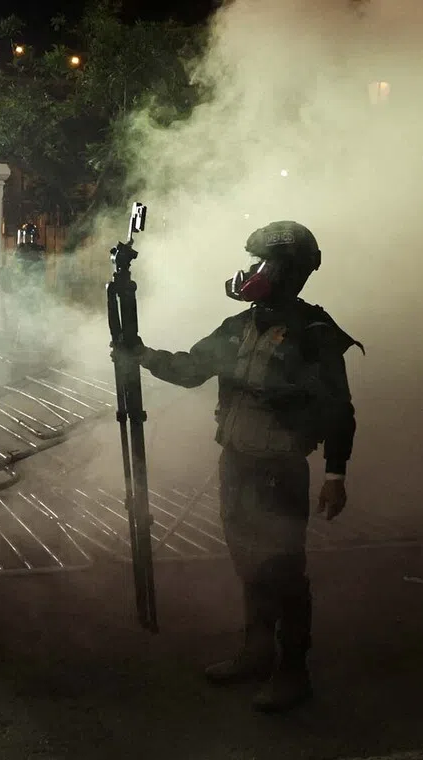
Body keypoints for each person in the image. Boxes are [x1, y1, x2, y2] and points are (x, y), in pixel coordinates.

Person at [115, 220, 362, 713]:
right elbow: (191, 369)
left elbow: (339, 411)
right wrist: (139, 354)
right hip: (237, 462)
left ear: (288, 271)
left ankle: (293, 673)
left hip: (280, 470)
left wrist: (336, 475)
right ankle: (255, 652)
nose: (252, 271)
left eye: (263, 263)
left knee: (283, 571)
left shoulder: (314, 334)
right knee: (249, 564)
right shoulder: (242, 325)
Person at [0, 223, 48, 347]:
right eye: (26, 237)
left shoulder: (31, 253)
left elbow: (26, 272)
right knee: (25, 317)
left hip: (29, 291)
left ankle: (28, 343)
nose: (27, 241)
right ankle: (27, 342)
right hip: (26, 291)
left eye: (29, 237)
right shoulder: (29, 253)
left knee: (28, 317)